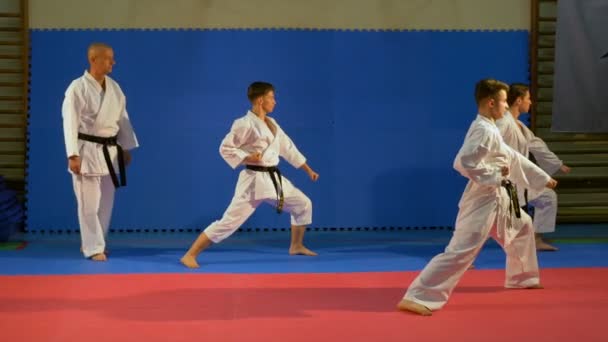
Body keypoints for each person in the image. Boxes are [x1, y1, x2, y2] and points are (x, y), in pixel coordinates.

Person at [397, 79, 557, 316]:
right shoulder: (483, 129)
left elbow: (511, 156)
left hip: (503, 195)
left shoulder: (491, 127)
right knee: (461, 251)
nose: (505, 106)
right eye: (503, 101)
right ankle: (418, 296)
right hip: (484, 197)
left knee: (523, 226)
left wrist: (541, 177)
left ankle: (522, 277)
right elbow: (462, 163)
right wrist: (494, 175)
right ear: (491, 103)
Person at [180, 81, 319, 269]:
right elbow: (225, 148)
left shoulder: (273, 124)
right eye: (272, 97)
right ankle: (190, 254)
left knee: (303, 204)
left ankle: (296, 245)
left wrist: (307, 169)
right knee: (228, 223)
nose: (275, 102)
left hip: (272, 179)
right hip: (253, 182)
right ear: (261, 100)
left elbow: (288, 148)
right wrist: (247, 157)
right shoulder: (243, 124)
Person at [62, 42, 139, 261]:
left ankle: (98, 242)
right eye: (108, 58)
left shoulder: (115, 88)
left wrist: (124, 147)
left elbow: (123, 119)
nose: (113, 62)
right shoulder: (77, 87)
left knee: (106, 202)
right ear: (93, 59)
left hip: (110, 153)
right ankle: (92, 247)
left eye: (113, 58)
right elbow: (69, 122)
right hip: (86, 151)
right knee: (89, 204)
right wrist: (72, 154)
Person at [496, 83, 570, 251]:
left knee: (547, 197)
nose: (531, 103)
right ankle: (464, 253)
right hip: (506, 184)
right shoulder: (504, 123)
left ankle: (535, 240)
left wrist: (557, 164)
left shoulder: (519, 126)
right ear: (519, 101)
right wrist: (497, 167)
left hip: (519, 181)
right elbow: (492, 144)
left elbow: (536, 145)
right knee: (499, 218)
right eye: (529, 99)